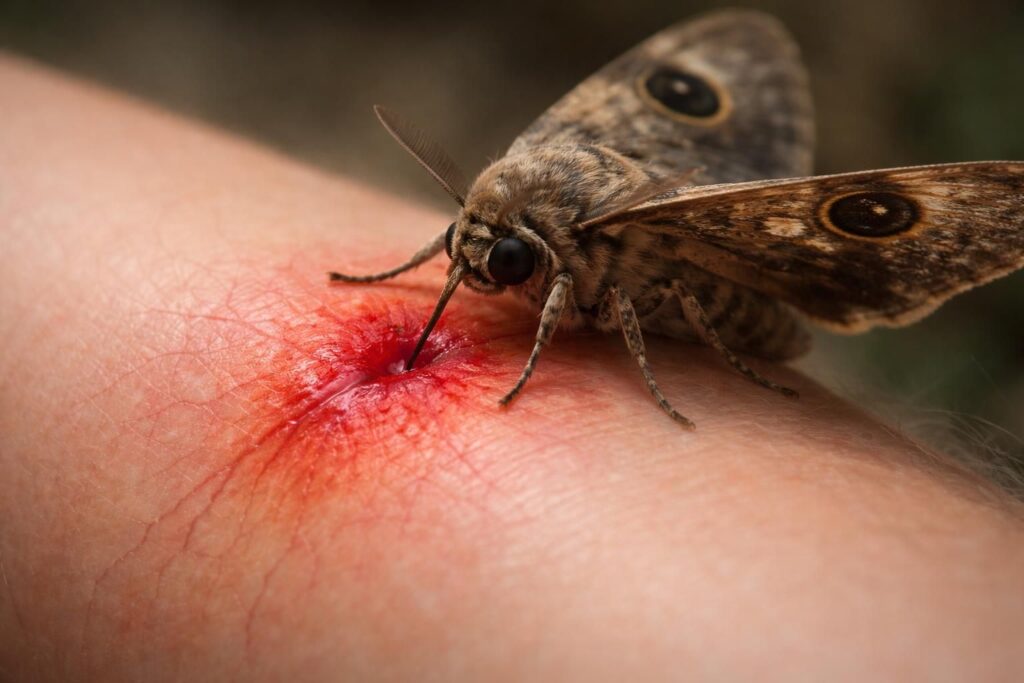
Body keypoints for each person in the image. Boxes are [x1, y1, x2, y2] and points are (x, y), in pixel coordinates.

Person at [2, 55, 1022, 681]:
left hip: (731, 298)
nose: (477, 274)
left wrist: (643, 380)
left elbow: (610, 293)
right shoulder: (501, 221)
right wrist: (408, 269)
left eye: (499, 261)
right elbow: (477, 234)